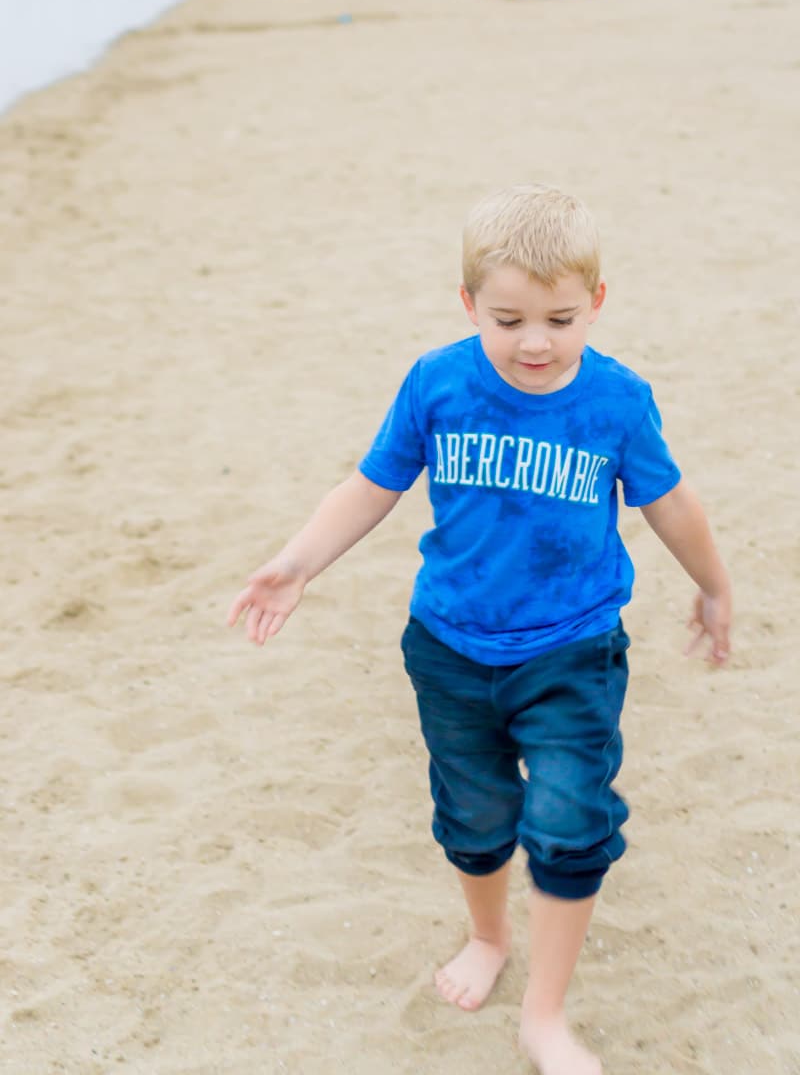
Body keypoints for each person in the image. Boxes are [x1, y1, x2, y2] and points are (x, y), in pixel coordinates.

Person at [227, 185, 732, 1075]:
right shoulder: (438, 382)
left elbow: (670, 503)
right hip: (450, 648)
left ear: (597, 304)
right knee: (475, 814)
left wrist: (714, 587)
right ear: (469, 306)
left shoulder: (616, 401)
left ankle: (546, 1014)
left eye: (559, 319)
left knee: (570, 820)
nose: (534, 342)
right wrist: (297, 562)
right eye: (508, 320)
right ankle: (489, 936)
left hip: (573, 649)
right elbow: (372, 484)